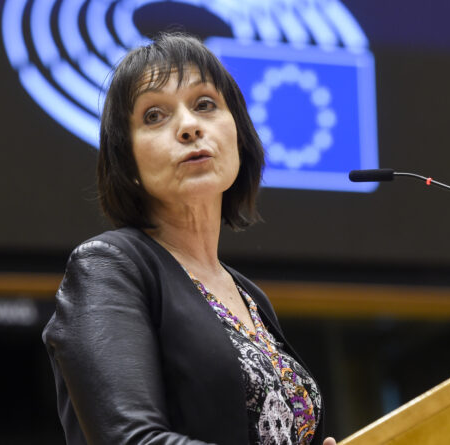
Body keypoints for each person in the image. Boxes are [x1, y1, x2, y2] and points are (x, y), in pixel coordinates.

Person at [42, 32, 337, 445]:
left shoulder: (250, 296)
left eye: (205, 104)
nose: (188, 126)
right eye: (154, 116)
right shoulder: (109, 267)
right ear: (127, 164)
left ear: (239, 135)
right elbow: (129, 440)